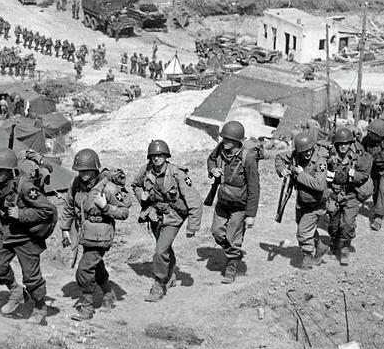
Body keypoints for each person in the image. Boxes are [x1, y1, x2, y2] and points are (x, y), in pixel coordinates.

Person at [0, 149, 57, 325]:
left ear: (10, 170)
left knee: (31, 278)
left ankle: (40, 307)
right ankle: (16, 292)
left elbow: (47, 210)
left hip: (26, 236)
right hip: (6, 230)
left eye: (1, 170)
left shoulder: (25, 186)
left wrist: (21, 214)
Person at [59, 149, 131, 321]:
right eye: (80, 171)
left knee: (84, 269)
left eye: (87, 171)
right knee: (96, 266)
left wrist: (106, 207)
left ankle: (87, 308)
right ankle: (108, 294)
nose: (83, 174)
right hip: (85, 233)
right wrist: (65, 228)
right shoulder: (76, 184)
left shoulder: (108, 188)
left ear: (95, 169)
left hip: (102, 234)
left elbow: (124, 212)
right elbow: (69, 206)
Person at [131, 140, 201, 301]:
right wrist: (140, 194)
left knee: (160, 251)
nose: (156, 158)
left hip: (173, 216)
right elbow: (135, 185)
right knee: (165, 248)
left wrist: (192, 226)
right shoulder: (146, 170)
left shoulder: (178, 173)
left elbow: (194, 200)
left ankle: (159, 284)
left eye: (160, 155)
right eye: (154, 155)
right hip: (155, 215)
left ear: (166, 156)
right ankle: (170, 276)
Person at [205, 121, 259, 283]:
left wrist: (251, 215)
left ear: (237, 141)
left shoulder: (248, 158)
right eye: (223, 138)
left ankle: (231, 265)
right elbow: (211, 160)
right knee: (216, 232)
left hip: (239, 206)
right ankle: (234, 252)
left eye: (228, 139)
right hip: (222, 202)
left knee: (232, 237)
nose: (224, 141)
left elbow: (254, 187)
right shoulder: (221, 149)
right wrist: (212, 170)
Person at [274, 132, 329, 269]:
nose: (307, 154)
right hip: (302, 201)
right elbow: (279, 157)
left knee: (303, 232)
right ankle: (320, 246)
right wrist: (282, 170)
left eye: (309, 150)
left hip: (316, 203)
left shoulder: (320, 161)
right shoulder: (296, 154)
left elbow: (319, 185)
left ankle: (307, 258)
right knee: (304, 227)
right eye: (304, 152)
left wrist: (300, 174)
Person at [325, 126, 373, 266]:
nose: (343, 146)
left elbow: (364, 175)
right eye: (341, 143)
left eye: (346, 143)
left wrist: (354, 175)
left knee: (348, 223)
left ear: (350, 143)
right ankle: (334, 240)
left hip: (351, 194)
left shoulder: (357, 156)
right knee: (333, 223)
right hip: (334, 193)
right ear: (336, 144)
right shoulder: (330, 156)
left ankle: (345, 247)